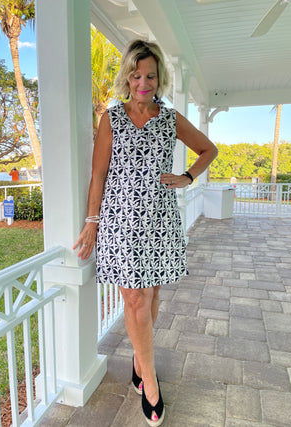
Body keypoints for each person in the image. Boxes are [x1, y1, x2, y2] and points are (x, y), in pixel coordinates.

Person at [74, 39, 218, 426]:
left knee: (151, 297)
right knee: (136, 299)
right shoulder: (112, 117)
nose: (143, 82)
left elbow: (209, 149)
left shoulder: (170, 118)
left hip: (159, 221)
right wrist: (91, 222)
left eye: (150, 75)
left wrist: (187, 177)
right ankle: (149, 383)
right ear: (127, 76)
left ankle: (140, 363)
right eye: (136, 74)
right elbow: (99, 174)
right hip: (120, 222)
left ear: (159, 78)